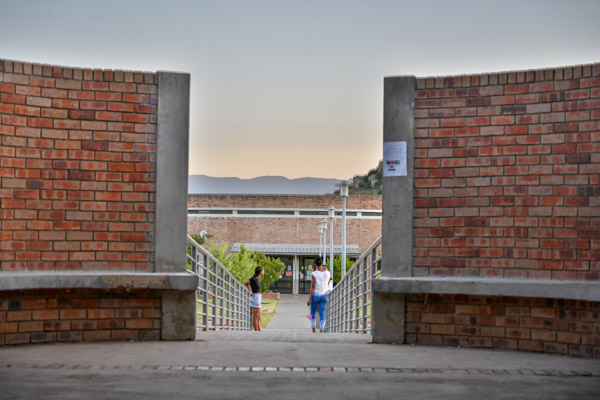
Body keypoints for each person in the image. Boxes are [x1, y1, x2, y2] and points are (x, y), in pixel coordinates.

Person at [306, 256, 332, 333]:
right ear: (322, 264)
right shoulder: (327, 273)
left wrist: (309, 299)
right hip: (324, 296)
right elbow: (327, 284)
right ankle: (321, 330)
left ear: (315, 265)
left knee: (313, 313)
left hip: (315, 296)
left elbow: (313, 287)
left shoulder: (314, 274)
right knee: (322, 313)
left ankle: (313, 330)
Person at [244, 266, 265, 331]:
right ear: (260, 272)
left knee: (258, 316)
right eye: (263, 271)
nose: (264, 272)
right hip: (255, 297)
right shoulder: (253, 279)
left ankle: (259, 329)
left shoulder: (257, 279)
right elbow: (245, 283)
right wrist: (250, 291)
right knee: (256, 316)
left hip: (258, 297)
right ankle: (256, 330)